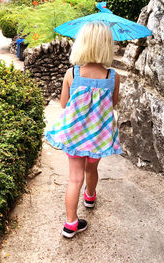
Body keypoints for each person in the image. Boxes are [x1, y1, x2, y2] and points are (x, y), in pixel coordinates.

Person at [45, 21, 122, 238]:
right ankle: (90, 196)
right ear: (107, 46)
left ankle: (70, 224)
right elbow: (112, 104)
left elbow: (63, 104)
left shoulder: (72, 73)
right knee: (92, 169)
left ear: (82, 44)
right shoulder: (113, 77)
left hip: (75, 135)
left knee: (74, 178)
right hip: (98, 135)